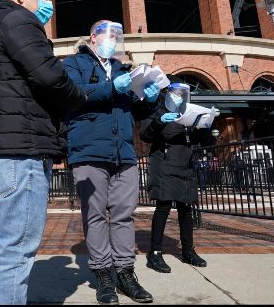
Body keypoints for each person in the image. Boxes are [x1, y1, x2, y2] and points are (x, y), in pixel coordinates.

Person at [0, 0, 86, 305]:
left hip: (6, 151)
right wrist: (81, 98)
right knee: (18, 249)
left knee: (8, 246)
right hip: (20, 152)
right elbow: (50, 76)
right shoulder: (19, 20)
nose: (50, 4)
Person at [63, 20, 157, 305]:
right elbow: (72, 96)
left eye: (117, 37)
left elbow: (133, 110)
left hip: (124, 153)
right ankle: (104, 275)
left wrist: (148, 99)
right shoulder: (74, 63)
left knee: (123, 215)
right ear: (94, 37)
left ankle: (126, 273)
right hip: (89, 151)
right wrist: (109, 87)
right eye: (109, 36)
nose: (114, 41)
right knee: (94, 215)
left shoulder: (122, 68)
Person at [140, 83, 209, 274]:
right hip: (164, 162)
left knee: (186, 207)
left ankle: (188, 250)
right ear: (169, 94)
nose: (180, 97)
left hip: (185, 163)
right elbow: (145, 134)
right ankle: (154, 253)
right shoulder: (157, 108)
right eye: (176, 93)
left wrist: (205, 127)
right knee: (163, 207)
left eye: (183, 94)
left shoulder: (188, 111)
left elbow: (196, 140)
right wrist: (160, 120)